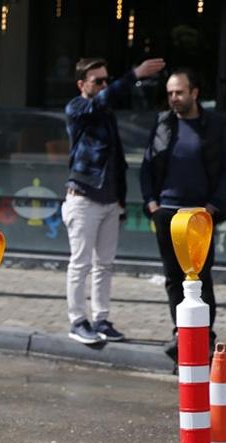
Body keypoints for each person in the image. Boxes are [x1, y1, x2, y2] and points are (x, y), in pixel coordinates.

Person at [62, 55, 166, 345]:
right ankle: (77, 321)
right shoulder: (78, 107)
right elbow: (100, 101)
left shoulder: (105, 113)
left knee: (104, 264)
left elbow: (116, 161)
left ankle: (101, 319)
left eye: (107, 79)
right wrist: (134, 74)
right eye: (98, 81)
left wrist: (120, 200)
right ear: (82, 84)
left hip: (109, 201)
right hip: (83, 197)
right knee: (80, 263)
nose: (105, 85)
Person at [140, 68, 226, 359]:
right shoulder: (162, 123)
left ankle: (204, 333)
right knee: (173, 276)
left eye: (179, 92)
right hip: (166, 210)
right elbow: (147, 166)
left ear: (195, 93)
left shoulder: (215, 125)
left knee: (199, 275)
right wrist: (151, 204)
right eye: (170, 93)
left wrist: (213, 206)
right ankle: (180, 330)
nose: (174, 98)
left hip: (198, 214)